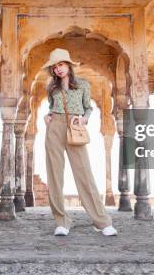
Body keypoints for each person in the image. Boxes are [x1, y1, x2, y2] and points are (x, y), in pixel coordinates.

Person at [42, 48, 117, 237]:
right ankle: (61, 221)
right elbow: (52, 107)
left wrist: (84, 119)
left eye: (61, 64)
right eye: (55, 66)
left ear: (68, 65)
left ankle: (101, 221)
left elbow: (88, 108)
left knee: (84, 172)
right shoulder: (52, 87)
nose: (58, 69)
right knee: (54, 175)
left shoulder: (82, 84)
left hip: (75, 126)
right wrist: (48, 116)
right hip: (55, 128)